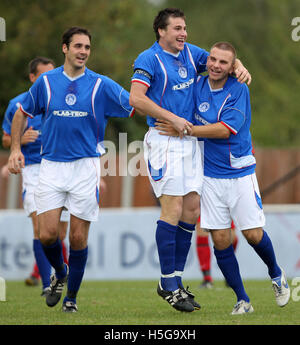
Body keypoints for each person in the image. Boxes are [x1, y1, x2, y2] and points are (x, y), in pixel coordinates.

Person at [129, 7, 251, 312]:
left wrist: (240, 66)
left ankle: (176, 281)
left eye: (185, 28)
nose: (184, 33)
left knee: (192, 209)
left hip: (190, 141)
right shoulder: (149, 59)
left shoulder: (190, 53)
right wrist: (173, 118)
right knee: (172, 208)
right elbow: (136, 99)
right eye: (178, 29)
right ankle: (167, 282)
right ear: (161, 31)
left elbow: (220, 61)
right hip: (164, 141)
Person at [156, 41, 290, 314]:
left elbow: (225, 130)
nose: (216, 65)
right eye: (213, 59)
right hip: (207, 176)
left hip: (239, 173)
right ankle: (243, 300)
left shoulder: (238, 89)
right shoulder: (197, 85)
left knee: (252, 234)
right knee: (220, 240)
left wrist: (185, 130)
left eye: (224, 62)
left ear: (232, 67)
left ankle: (276, 274)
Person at [8, 26, 134, 313]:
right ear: (64, 48)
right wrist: (15, 149)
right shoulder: (46, 83)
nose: (83, 52)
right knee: (47, 234)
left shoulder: (101, 84)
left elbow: (133, 103)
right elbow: (21, 113)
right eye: (78, 46)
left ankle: (71, 298)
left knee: (77, 238)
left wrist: (167, 113)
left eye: (87, 47)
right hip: (50, 166)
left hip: (85, 168)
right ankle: (60, 273)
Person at [1, 56, 69, 296]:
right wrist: (20, 140)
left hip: (62, 167)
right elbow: (6, 139)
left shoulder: (61, 100)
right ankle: (46, 285)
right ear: (32, 78)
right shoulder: (18, 104)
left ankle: (59, 276)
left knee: (59, 233)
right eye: (43, 76)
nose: (49, 80)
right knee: (40, 228)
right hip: (33, 169)